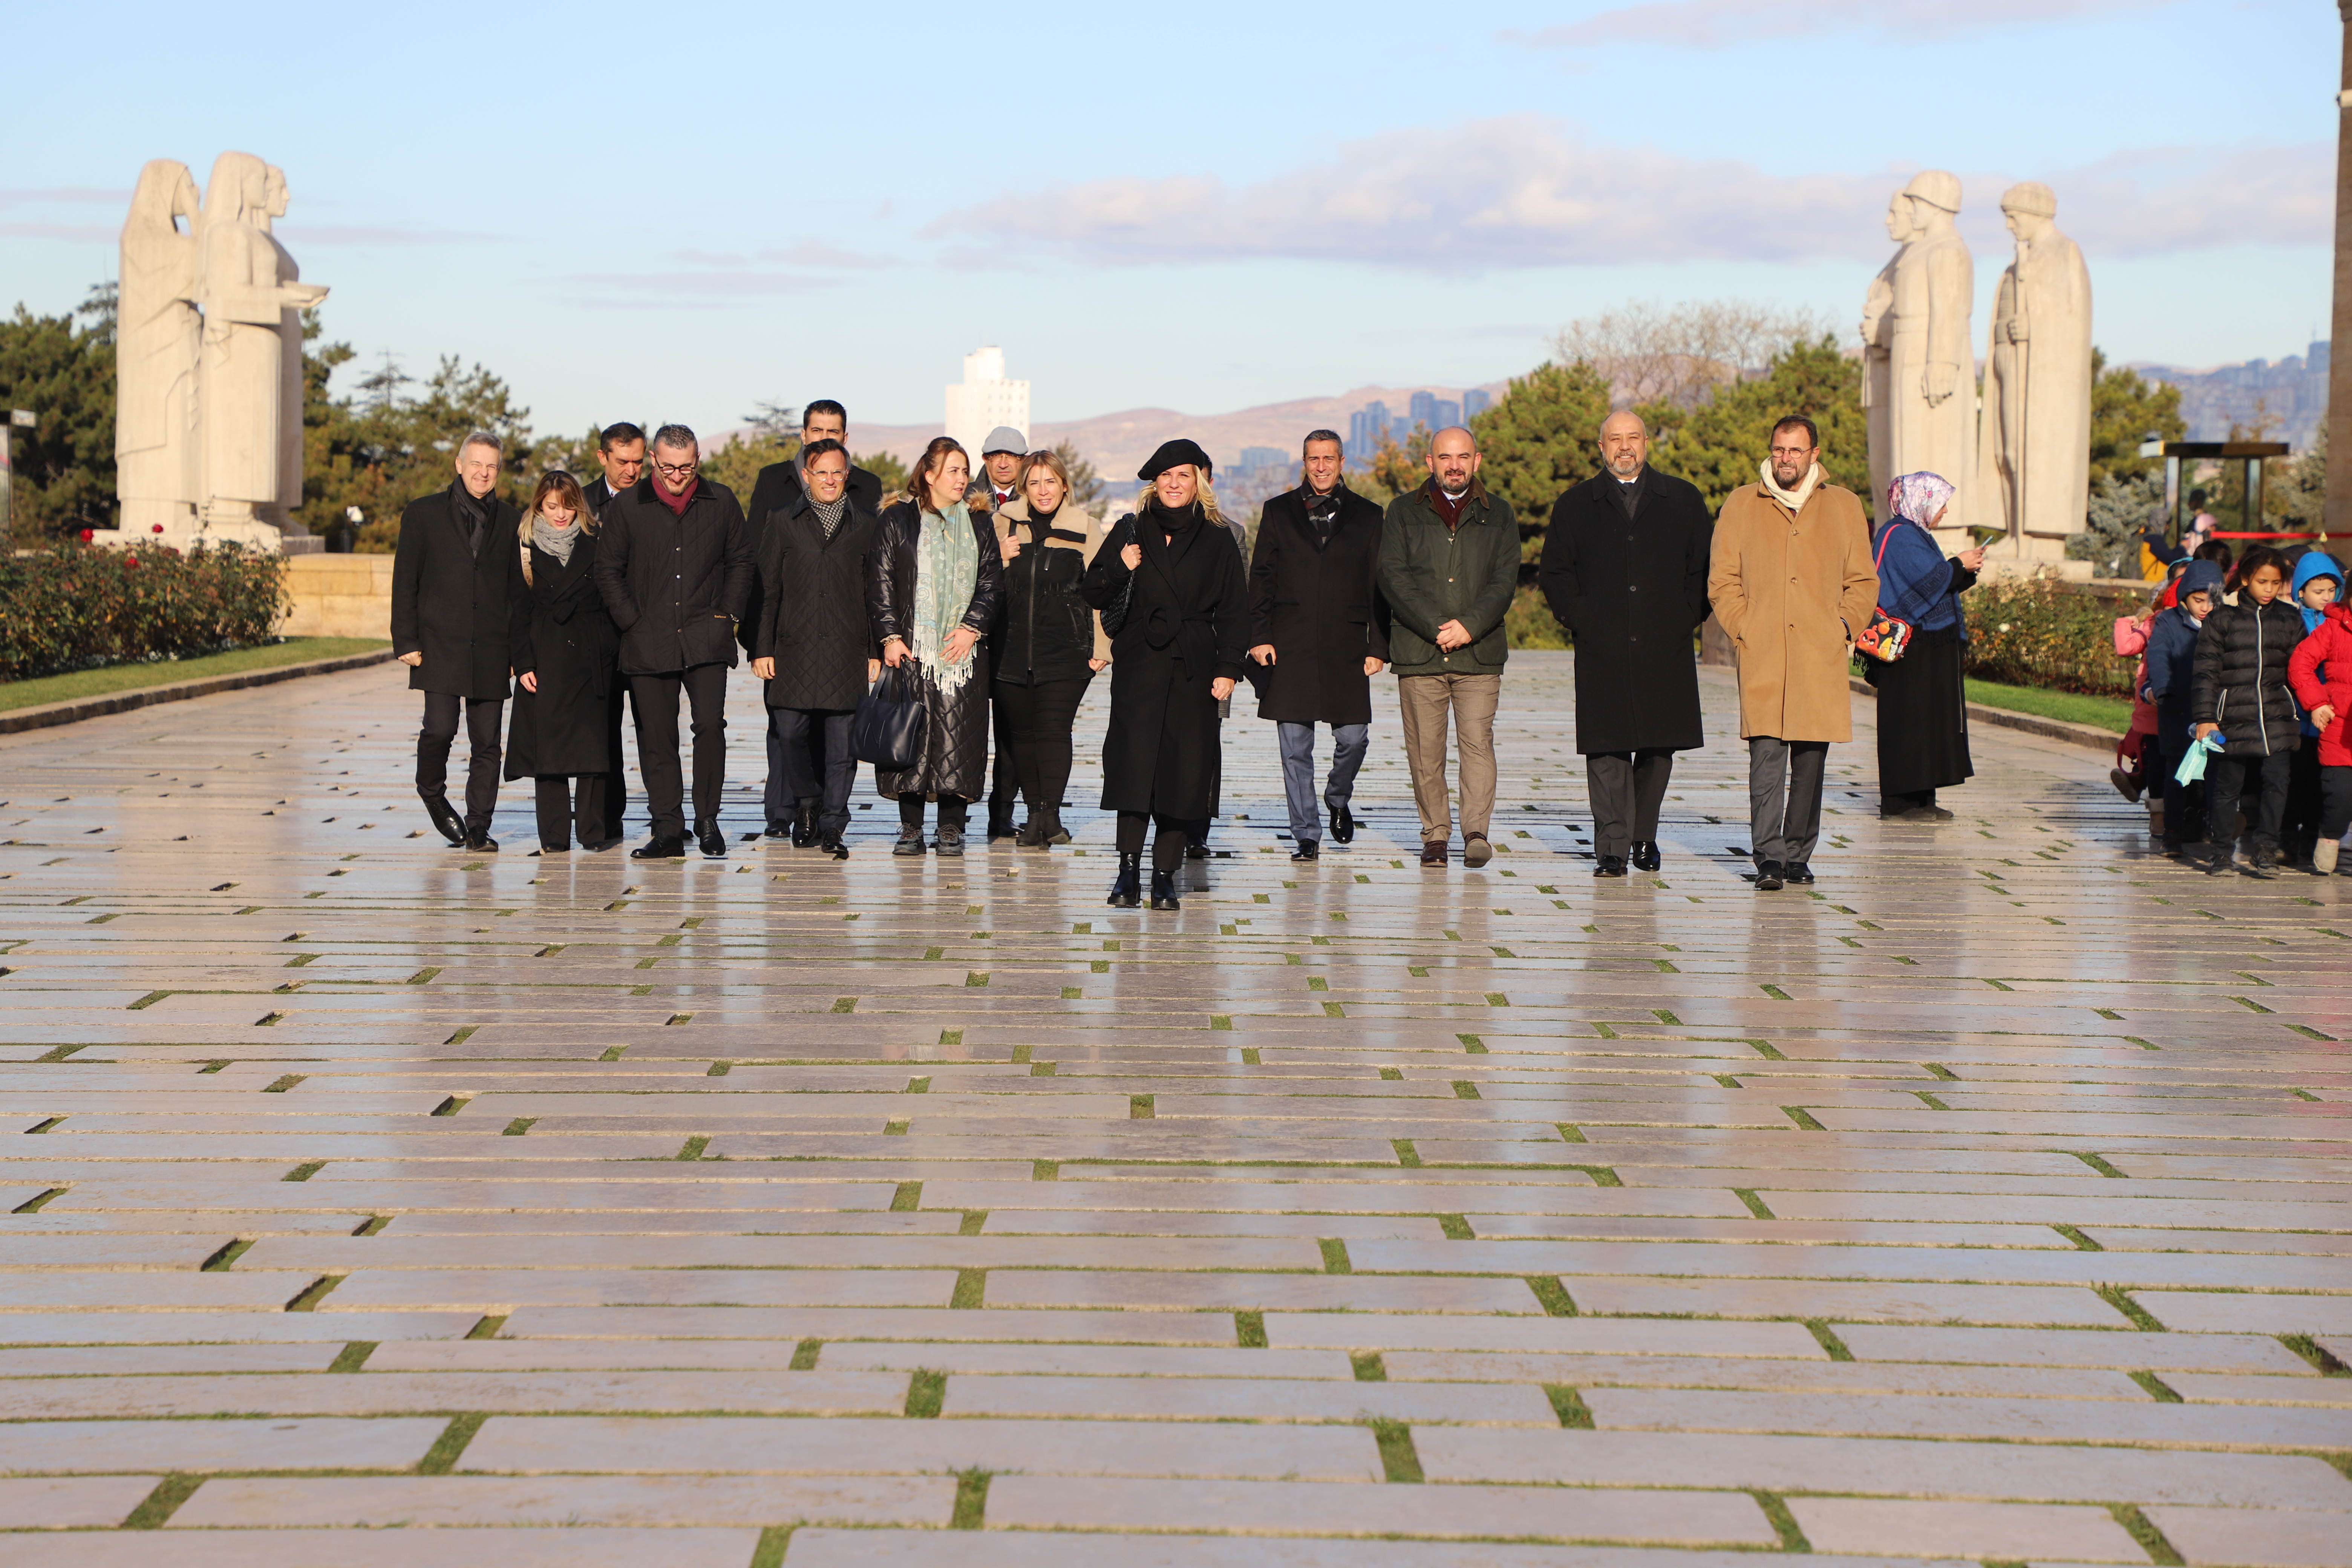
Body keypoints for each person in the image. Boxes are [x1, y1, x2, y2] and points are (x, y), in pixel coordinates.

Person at [1537, 410, 1713, 877]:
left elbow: (1704, 569)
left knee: (1658, 749)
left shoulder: (1683, 499)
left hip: (1665, 644)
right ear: (1601, 447)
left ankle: (1643, 835)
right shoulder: (1575, 504)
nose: (1625, 446)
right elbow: (1555, 571)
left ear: (1648, 442)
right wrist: (1583, 620)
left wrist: (1683, 618)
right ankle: (1612, 846)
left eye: (1633, 437)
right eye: (1615, 439)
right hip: (1603, 645)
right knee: (1607, 748)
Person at [1706, 414, 1878, 891]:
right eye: (1779, 450)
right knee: (1765, 757)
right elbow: (1722, 580)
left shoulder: (1843, 505)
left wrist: (1841, 627)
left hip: (1817, 653)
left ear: (1814, 454)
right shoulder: (1742, 504)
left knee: (1810, 761)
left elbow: (1863, 581)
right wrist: (1747, 627)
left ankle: (1799, 853)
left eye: (1795, 451)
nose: (1785, 459)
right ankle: (1768, 857)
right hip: (1764, 651)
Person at [1082, 438, 1248, 910]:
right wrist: (1119, 565)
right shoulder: (1131, 529)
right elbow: (1092, 590)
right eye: (1167, 476)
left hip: (1195, 666)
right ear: (1154, 482)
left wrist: (1229, 668)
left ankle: (1164, 875)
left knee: (1184, 771)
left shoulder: (1217, 537)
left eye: (1184, 475)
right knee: (1133, 767)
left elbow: (1236, 610)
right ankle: (1127, 870)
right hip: (1140, 663)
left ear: (1199, 482)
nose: (1175, 484)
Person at [592, 423, 753, 861]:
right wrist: (632, 621)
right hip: (648, 641)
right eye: (668, 467)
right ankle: (667, 828)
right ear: (654, 462)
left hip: (707, 637)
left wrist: (727, 616)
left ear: (697, 461)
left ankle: (708, 821)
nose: (677, 475)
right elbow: (607, 570)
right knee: (657, 738)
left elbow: (741, 561)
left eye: (686, 467)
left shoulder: (721, 502)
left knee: (710, 729)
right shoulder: (628, 506)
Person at [1377, 426, 1521, 869]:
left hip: (1479, 654)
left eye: (1462, 456)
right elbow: (1392, 575)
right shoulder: (1403, 512)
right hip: (1420, 652)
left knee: (1478, 744)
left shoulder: (1500, 514)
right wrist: (1436, 626)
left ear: (1477, 461)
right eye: (1445, 457)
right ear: (1430, 462)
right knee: (1425, 750)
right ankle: (1435, 835)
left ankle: (1476, 831)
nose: (1454, 464)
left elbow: (1504, 580)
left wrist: (1470, 626)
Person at [741, 402, 885, 839]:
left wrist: (875, 649)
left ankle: (832, 822)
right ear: (806, 472)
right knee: (790, 733)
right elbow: (768, 588)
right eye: (821, 472)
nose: (829, 479)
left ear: (847, 474)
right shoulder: (783, 522)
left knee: (842, 746)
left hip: (845, 647)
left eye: (837, 473)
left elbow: (874, 592)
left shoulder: (865, 525)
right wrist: (761, 646)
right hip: (793, 647)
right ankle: (804, 803)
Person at [1249, 429, 1387, 863]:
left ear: (1342, 461)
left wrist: (1378, 646)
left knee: (1354, 737)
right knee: (1295, 748)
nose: (1322, 466)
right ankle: (1306, 834)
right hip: (1288, 645)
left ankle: (1338, 795)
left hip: (1346, 646)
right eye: (1314, 459)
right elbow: (1262, 579)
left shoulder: (1368, 515)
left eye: (1329, 458)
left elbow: (1377, 586)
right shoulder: (1277, 511)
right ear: (1304, 462)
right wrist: (1259, 637)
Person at [868, 437, 1004, 857]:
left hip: (961, 654)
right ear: (929, 475)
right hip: (911, 651)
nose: (962, 478)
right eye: (953, 470)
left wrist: (971, 628)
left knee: (956, 738)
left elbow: (991, 583)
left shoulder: (980, 523)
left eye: (965, 471)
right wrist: (890, 636)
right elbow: (881, 580)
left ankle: (951, 826)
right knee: (909, 736)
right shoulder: (897, 520)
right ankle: (910, 827)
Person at [391, 431, 522, 851]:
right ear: (459, 465)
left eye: (492, 466)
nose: (484, 473)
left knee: (488, 742)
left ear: (499, 470)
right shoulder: (422, 513)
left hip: (491, 647)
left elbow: (517, 592)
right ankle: (430, 791)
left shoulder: (511, 520)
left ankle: (479, 825)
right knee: (440, 728)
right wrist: (405, 638)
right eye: (477, 464)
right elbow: (405, 579)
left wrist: (519, 652)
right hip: (439, 643)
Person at [991, 447, 1110, 849]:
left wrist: (1102, 645)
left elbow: (1102, 590)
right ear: (1024, 486)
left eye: (1051, 481)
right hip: (1009, 650)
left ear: (1064, 484)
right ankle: (1034, 816)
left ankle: (1051, 814)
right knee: (1022, 736)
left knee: (1055, 731)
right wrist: (998, 559)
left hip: (1068, 650)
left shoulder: (1086, 527)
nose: (1044, 490)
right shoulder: (1002, 524)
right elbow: (977, 581)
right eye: (1035, 482)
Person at [505, 470, 623, 853]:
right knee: (549, 751)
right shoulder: (524, 545)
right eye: (552, 506)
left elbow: (611, 594)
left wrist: (608, 646)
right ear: (539, 505)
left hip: (591, 653)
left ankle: (593, 831)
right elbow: (516, 607)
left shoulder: (598, 538)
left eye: (568, 505)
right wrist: (523, 663)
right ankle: (554, 837)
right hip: (544, 654)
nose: (561, 514)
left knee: (593, 748)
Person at [1868, 472, 1985, 822]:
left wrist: (1966, 571)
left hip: (1926, 646)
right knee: (1908, 722)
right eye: (1941, 502)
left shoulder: (1916, 534)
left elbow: (1935, 586)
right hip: (1908, 649)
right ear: (1921, 500)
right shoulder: (1900, 535)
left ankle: (1922, 798)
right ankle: (1900, 802)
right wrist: (1957, 566)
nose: (1946, 510)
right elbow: (1925, 583)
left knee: (1927, 721)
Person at [2192, 545, 2306, 877]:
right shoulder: (2222, 619)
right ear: (2245, 579)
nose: (2269, 590)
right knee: (2228, 788)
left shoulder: (2289, 618)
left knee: (2277, 783)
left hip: (2277, 718)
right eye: (2262, 582)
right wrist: (2205, 717)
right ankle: (2222, 853)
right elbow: (2205, 672)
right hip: (2232, 718)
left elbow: (2300, 668)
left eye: (2275, 583)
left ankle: (2266, 850)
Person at [581, 421, 644, 837]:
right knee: (600, 731)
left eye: (639, 461)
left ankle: (667, 817)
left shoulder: (655, 500)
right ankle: (607, 816)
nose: (631, 470)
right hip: (595, 637)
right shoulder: (580, 502)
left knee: (655, 731)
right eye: (622, 461)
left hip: (644, 633)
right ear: (602, 457)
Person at [970, 424, 1032, 842]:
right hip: (973, 630)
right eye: (996, 455)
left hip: (1021, 629)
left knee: (1013, 729)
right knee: (970, 725)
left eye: (1012, 455)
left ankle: (1003, 813)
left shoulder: (1043, 497)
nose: (1004, 462)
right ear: (986, 459)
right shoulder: (965, 499)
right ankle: (953, 813)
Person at [2144, 559, 2221, 860]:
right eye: (2198, 600)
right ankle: (2173, 832)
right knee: (2178, 774)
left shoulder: (2224, 621)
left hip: (2214, 709)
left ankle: (2216, 829)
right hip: (2177, 708)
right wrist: (2162, 689)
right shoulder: (2168, 622)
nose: (2204, 607)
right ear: (2185, 596)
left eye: (2211, 601)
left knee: (2215, 775)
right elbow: (2159, 654)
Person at [2281, 552, 2343, 870]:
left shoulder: (2338, 622)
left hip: (2331, 720)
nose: (2326, 598)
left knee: (2325, 786)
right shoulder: (2293, 621)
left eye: (2331, 591)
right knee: (2295, 781)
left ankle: (2313, 837)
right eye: (2319, 591)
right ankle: (2288, 837)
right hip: (2299, 718)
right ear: (2301, 592)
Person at [2288, 585, 2352, 874]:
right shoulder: (2333, 627)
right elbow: (2301, 663)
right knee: (2338, 794)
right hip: (2339, 727)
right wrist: (2316, 703)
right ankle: (2329, 839)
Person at [585, 422, 646, 511]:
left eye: (638, 463)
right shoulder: (581, 503)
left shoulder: (658, 503)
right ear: (603, 458)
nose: (631, 472)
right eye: (622, 463)